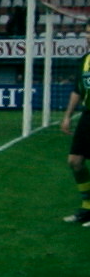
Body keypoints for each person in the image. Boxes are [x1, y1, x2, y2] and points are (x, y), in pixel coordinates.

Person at [63, 49, 90, 225]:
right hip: (88, 115)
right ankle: (87, 207)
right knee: (75, 161)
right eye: (87, 32)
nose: (88, 36)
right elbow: (77, 90)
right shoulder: (85, 60)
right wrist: (67, 116)